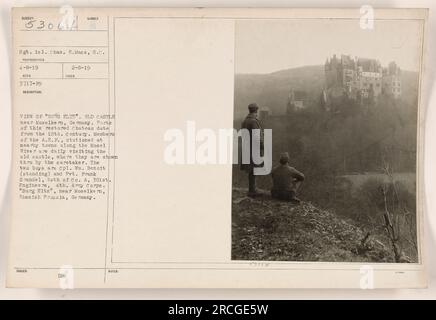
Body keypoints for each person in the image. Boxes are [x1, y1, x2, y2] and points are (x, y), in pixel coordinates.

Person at [240, 103, 264, 197]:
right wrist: (262, 146)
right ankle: (252, 190)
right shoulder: (253, 122)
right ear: (256, 111)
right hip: (253, 148)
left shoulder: (245, 121)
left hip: (247, 147)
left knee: (251, 169)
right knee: (253, 169)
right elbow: (256, 136)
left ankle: (252, 188)